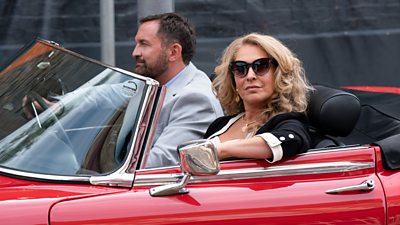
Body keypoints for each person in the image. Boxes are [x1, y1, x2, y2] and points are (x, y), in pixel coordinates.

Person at [132, 13, 223, 168]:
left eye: (144, 44)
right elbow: (99, 95)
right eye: (136, 44)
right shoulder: (148, 83)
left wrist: (102, 169)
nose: (135, 53)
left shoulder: (196, 99)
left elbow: (158, 163)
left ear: (173, 52)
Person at [204, 33, 313, 163]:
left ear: (279, 74)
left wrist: (222, 150)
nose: (250, 76)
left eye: (261, 66)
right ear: (233, 80)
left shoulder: (288, 122)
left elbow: (291, 141)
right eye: (240, 68)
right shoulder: (219, 124)